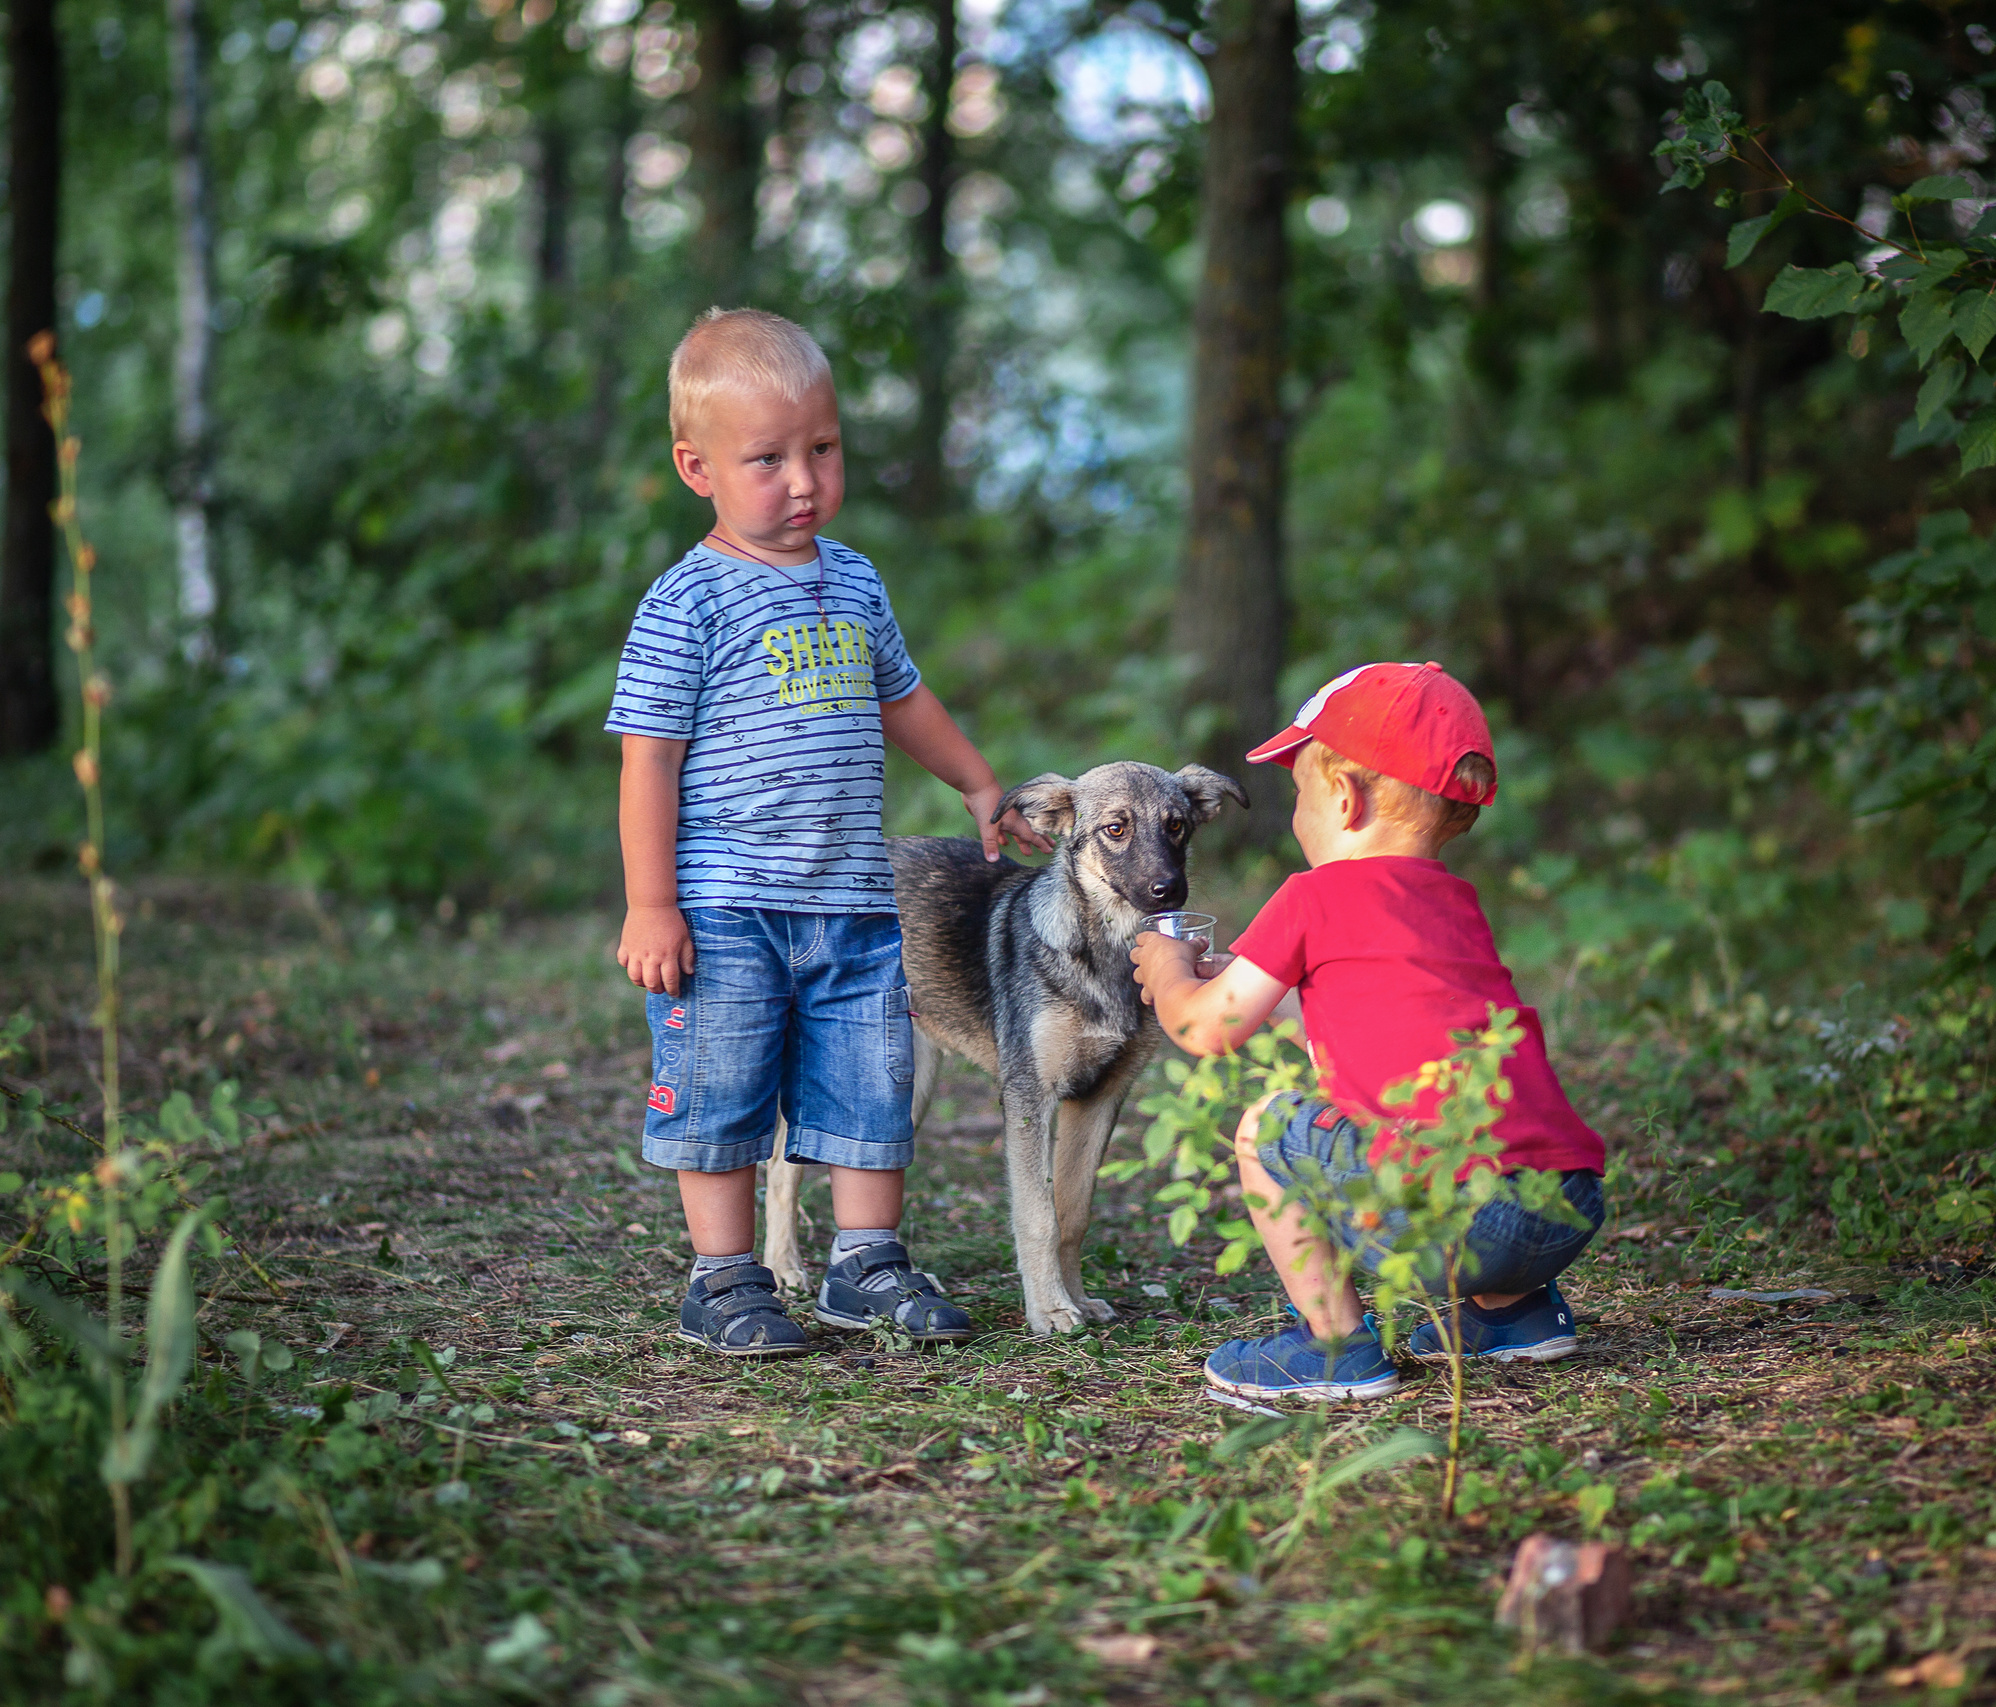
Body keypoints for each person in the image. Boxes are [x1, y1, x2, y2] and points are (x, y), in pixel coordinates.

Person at [609, 307, 1046, 1358]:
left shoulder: (851, 580)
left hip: (852, 898)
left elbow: (902, 698)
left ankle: (866, 1260)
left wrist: (976, 782)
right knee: (722, 1085)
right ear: (696, 467)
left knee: (867, 1081)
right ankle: (722, 1277)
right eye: (767, 459)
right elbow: (648, 761)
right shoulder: (687, 604)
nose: (802, 481)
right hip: (726, 906)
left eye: (822, 449)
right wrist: (652, 903)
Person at [1130, 662, 1608, 1402]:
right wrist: (1275, 996)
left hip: (1461, 1223)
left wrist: (1166, 970)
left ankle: (1332, 1346)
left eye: (1299, 796)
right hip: (1564, 1203)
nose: (1295, 818)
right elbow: (1372, 1049)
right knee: (1445, 1122)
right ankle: (1515, 1315)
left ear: (1344, 799)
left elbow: (1204, 1026)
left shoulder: (1313, 897)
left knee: (1268, 1129)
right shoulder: (1456, 905)